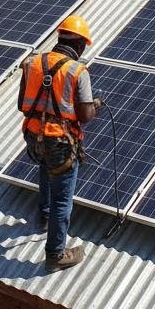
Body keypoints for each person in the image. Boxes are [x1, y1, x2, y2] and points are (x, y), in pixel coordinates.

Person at [19, 15, 101, 273]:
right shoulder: (78, 71)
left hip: (33, 137)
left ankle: (44, 216)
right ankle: (56, 254)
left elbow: (22, 104)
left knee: (45, 167)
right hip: (60, 142)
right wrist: (95, 105)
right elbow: (85, 116)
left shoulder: (32, 62)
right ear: (79, 44)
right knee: (63, 199)